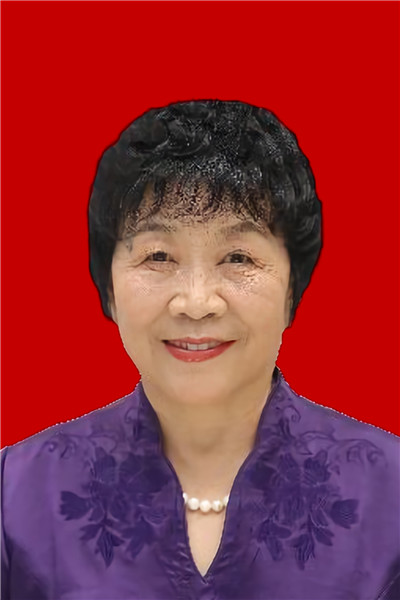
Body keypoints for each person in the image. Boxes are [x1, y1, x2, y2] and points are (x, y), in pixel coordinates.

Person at [1, 100, 399, 600]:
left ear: (293, 288)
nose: (196, 302)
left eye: (238, 257)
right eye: (158, 256)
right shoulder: (17, 498)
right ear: (108, 289)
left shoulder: (390, 496)